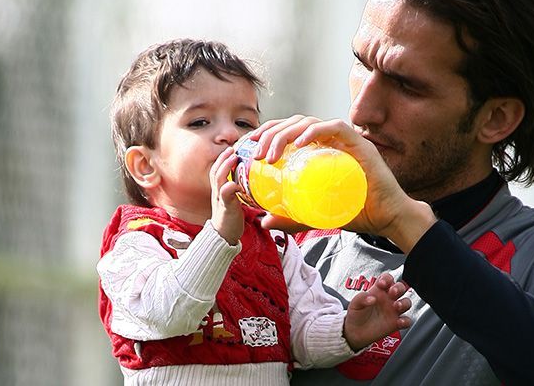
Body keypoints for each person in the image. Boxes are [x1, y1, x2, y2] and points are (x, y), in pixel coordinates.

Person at [249, 0, 534, 385]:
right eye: (362, 63)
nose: (362, 110)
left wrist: (410, 227)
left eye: (406, 85)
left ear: (496, 118)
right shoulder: (285, 235)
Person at [96, 38, 412, 386]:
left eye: (245, 123)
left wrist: (348, 330)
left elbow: (301, 337)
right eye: (200, 122)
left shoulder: (272, 242)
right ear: (145, 165)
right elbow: (170, 313)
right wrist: (218, 237)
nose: (230, 134)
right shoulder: (135, 244)